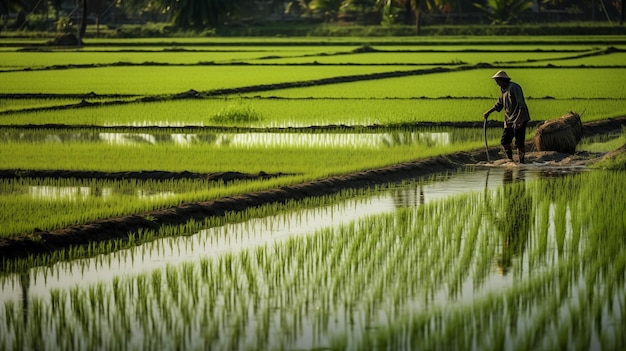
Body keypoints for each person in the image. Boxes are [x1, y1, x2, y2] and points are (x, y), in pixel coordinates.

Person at [483, 70, 531, 163]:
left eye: (497, 81)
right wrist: (488, 112)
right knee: (505, 141)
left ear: (502, 80)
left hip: (520, 118)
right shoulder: (503, 90)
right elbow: (499, 105)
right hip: (509, 119)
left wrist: (518, 120)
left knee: (519, 142)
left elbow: (521, 105)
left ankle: (522, 161)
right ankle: (510, 160)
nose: (497, 83)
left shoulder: (514, 87)